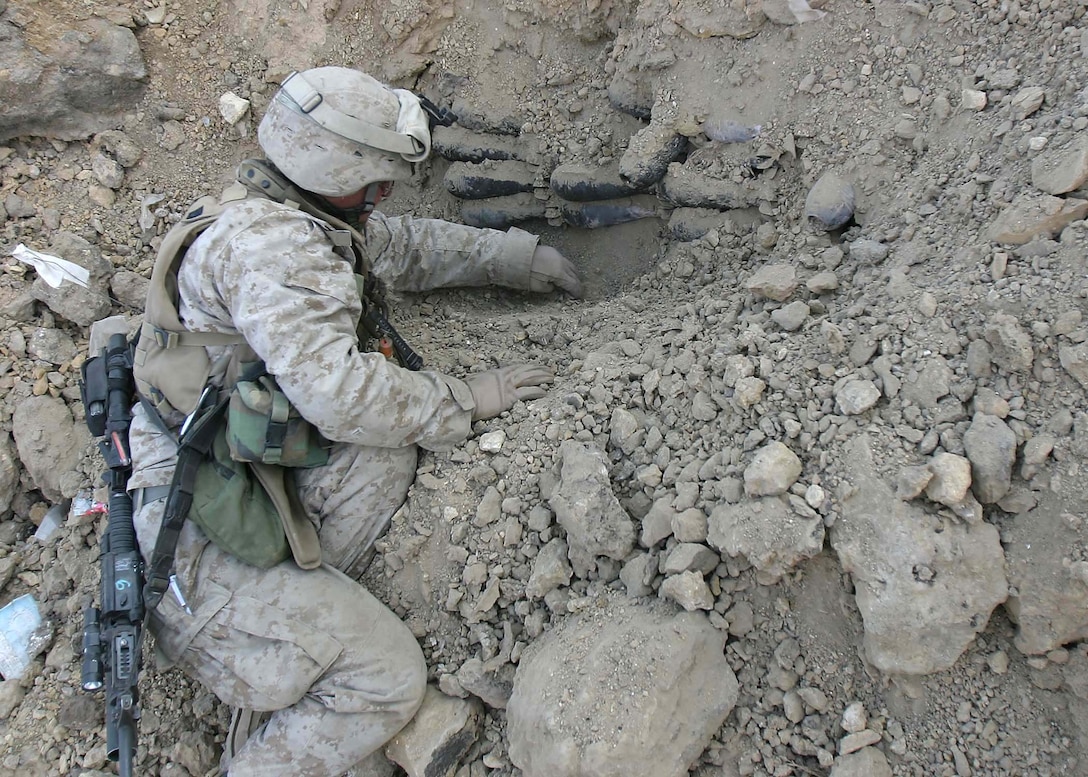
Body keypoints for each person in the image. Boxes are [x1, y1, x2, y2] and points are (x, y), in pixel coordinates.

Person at [126, 66, 581, 776]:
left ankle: (308, 624)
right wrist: (466, 397)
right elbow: (342, 397)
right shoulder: (275, 254)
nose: (386, 192)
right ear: (341, 167)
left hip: (233, 462)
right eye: (378, 177)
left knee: (385, 456)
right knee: (387, 678)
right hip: (193, 550)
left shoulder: (288, 208)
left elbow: (401, 248)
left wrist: (515, 258)